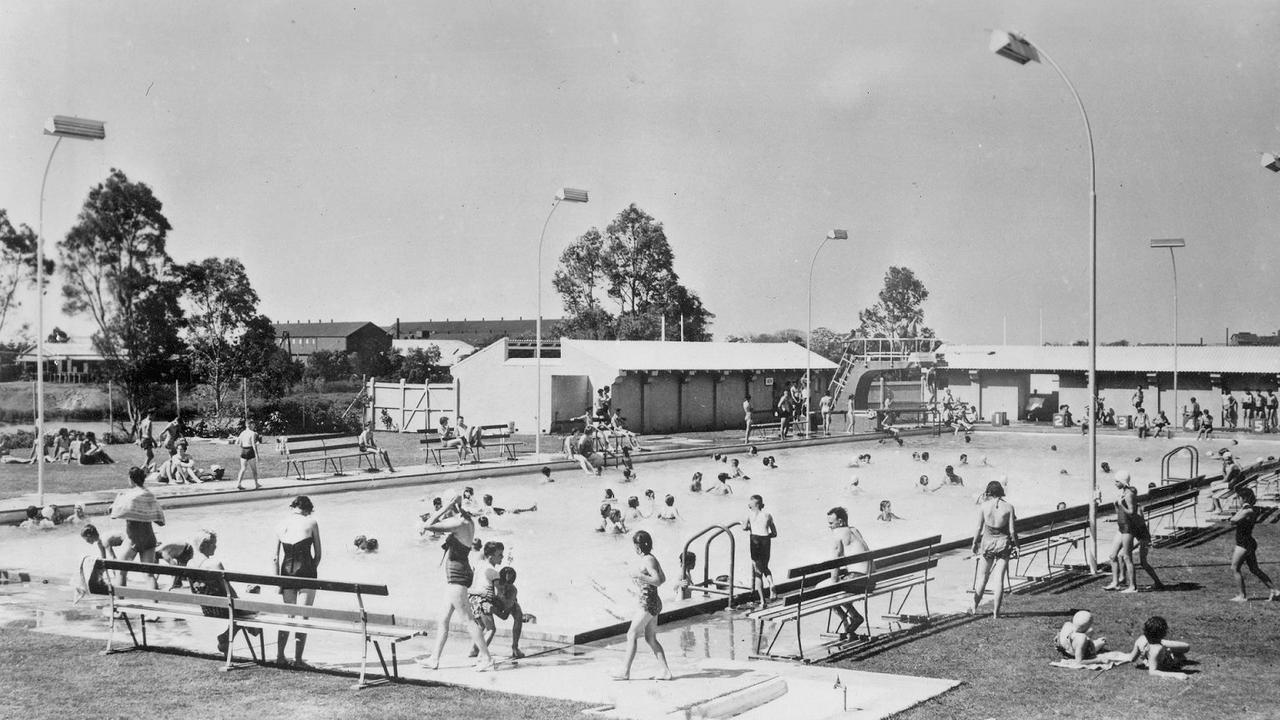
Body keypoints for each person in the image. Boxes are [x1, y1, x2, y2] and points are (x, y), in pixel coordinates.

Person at [421, 491, 494, 671]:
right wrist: (452, 506)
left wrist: (446, 507)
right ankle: (434, 659)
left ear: (452, 504)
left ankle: (486, 658)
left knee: (468, 620)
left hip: (458, 576)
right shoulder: (466, 521)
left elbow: (428, 525)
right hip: (457, 574)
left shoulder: (459, 523)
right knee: (443, 619)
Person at [612, 530, 673, 681]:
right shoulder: (652, 558)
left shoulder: (647, 560)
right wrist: (645, 578)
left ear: (638, 547)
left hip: (648, 603)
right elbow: (663, 578)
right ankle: (665, 671)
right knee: (650, 638)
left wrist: (640, 576)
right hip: (653, 601)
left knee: (631, 634)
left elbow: (658, 580)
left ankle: (625, 671)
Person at [275, 495, 322, 666]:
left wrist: (278, 582)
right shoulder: (312, 522)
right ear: (308, 509)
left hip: (286, 571)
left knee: (288, 615)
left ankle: (280, 656)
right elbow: (318, 555)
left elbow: (275, 557)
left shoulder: (281, 524)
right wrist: (312, 569)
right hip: (306, 571)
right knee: (303, 617)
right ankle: (298, 659)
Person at [1103, 472, 1162, 592]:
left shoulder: (1129, 494)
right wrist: (1116, 505)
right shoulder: (1124, 493)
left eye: (1117, 481)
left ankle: (1133, 586)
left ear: (1123, 482)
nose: (1115, 483)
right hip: (1122, 528)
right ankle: (1116, 582)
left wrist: (1120, 504)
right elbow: (1121, 513)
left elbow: (1131, 513)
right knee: (1113, 556)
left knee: (1128, 558)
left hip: (1129, 529)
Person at [109, 466, 166, 589]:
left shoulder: (129, 496)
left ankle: (120, 602)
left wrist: (117, 500)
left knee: (121, 571)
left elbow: (114, 514)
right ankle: (155, 603)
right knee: (149, 575)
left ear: (131, 479)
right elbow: (160, 521)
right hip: (149, 538)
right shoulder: (149, 495)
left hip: (133, 539)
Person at [970, 481, 1017, 618]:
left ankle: (974, 606)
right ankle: (996, 612)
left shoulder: (984, 506)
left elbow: (979, 528)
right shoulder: (1009, 507)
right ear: (1001, 492)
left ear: (989, 492)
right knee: (999, 580)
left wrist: (974, 543)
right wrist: (1018, 545)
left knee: (982, 578)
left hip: (988, 544)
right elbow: (1012, 531)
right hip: (1003, 544)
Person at [823, 507, 870, 637]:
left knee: (823, 591)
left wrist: (834, 581)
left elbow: (836, 559)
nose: (830, 527)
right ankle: (852, 617)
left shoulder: (838, 532)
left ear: (841, 522)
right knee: (831, 588)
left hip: (859, 580)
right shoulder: (854, 530)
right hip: (871, 579)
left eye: (831, 523)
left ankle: (849, 619)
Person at [1227, 487, 1279, 602]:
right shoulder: (1248, 509)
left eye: (1239, 498)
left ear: (1244, 498)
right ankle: (1275, 591)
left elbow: (1232, 520)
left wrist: (1240, 510)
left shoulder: (1247, 510)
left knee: (1235, 568)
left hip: (1244, 544)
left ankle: (1242, 596)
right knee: (1254, 569)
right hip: (1247, 542)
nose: (1238, 500)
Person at [1127, 616, 1191, 679]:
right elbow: (1152, 672)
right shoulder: (1155, 650)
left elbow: (1132, 658)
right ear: (1163, 633)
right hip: (1164, 655)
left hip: (1157, 644)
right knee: (1181, 656)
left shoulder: (1140, 639)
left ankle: (1162, 645)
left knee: (1186, 647)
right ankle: (1166, 650)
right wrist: (1176, 675)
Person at [742, 494, 777, 608]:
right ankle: (771, 584)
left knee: (758, 572)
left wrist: (748, 527)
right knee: (765, 566)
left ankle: (762, 601)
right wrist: (767, 537)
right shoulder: (767, 515)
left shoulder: (749, 515)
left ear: (751, 506)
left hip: (755, 540)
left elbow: (743, 527)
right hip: (765, 540)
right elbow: (774, 533)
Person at [235, 419, 262, 490]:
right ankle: (256, 484)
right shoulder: (252, 433)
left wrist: (243, 448)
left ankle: (238, 483)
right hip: (250, 450)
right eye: (253, 425)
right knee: (254, 470)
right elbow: (253, 444)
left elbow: (238, 443)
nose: (254, 426)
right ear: (250, 425)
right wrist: (257, 455)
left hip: (244, 451)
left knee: (243, 468)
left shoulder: (242, 433)